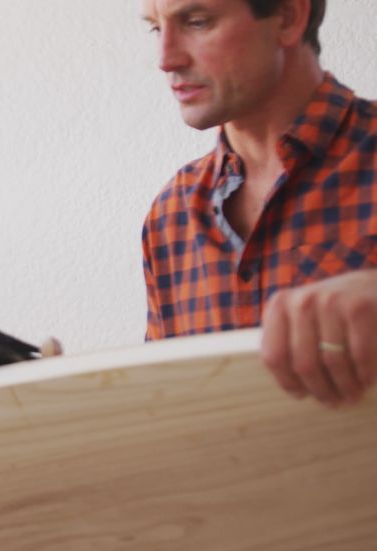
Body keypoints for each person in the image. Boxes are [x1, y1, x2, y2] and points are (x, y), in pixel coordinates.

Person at [140, 0, 376, 407]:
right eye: (155, 29)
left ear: (287, 17)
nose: (166, 59)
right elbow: (168, 412)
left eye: (197, 22)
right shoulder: (170, 216)